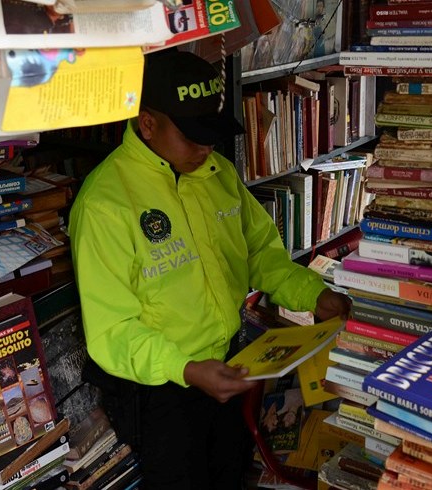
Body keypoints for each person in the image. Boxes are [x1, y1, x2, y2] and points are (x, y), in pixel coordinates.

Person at [67, 49, 351, 490]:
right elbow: (112, 330)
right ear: (147, 124)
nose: (206, 148)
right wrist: (185, 369)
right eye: (193, 136)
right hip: (163, 389)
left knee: (230, 474)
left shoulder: (215, 172)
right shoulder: (105, 204)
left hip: (230, 365)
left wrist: (313, 294)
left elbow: (259, 253)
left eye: (211, 135)